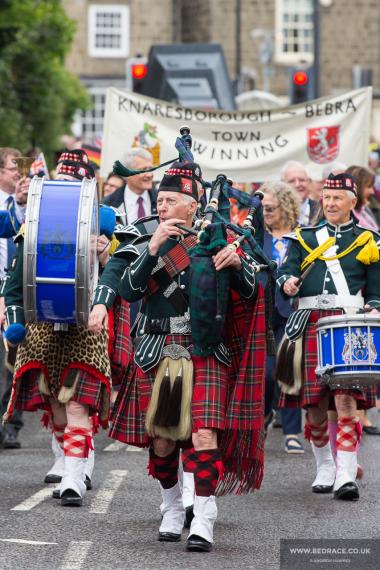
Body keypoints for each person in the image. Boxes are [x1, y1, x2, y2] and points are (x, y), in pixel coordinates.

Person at [90, 163, 266, 552]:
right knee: (165, 441)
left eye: (171, 200)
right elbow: (129, 289)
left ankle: (203, 516)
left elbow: (253, 291)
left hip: (204, 349)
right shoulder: (142, 235)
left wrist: (236, 264)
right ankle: (172, 505)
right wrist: (153, 249)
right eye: (160, 199)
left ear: (193, 205)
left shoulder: (219, 233)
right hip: (157, 349)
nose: (163, 205)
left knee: (203, 434)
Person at [2, 149, 113, 506]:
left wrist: (103, 253)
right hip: (43, 326)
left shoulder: (105, 220)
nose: (62, 189)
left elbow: (123, 274)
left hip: (85, 326)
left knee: (78, 405)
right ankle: (68, 459)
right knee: (57, 405)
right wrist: (14, 315)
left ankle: (74, 477)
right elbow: (16, 276)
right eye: (58, 182)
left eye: (70, 183)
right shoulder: (33, 222)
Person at [276, 172, 380, 501]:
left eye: (338, 198)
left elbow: (376, 293)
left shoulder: (367, 240)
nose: (331, 203)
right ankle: (325, 466)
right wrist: (287, 282)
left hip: (347, 323)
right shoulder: (304, 236)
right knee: (314, 405)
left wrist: (375, 308)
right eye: (327, 197)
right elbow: (286, 271)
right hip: (308, 321)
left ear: (353, 202)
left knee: (345, 400)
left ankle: (346, 473)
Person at [261, 181, 304, 454]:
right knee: (266, 374)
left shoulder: (302, 236)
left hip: (292, 311)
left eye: (270, 208)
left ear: (285, 206)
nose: (265, 212)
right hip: (262, 314)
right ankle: (265, 414)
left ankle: (292, 432)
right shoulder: (255, 236)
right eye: (262, 208)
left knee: (290, 370)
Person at [102, 148, 157, 224]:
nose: (149, 174)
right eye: (143, 170)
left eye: (150, 168)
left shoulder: (161, 199)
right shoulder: (108, 204)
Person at [281, 161, 319, 226]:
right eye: (292, 181)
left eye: (301, 180)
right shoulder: (276, 212)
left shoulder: (321, 210)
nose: (297, 185)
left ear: (309, 182)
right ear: (282, 184)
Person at [345, 165, 378, 232]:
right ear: (357, 187)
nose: (372, 191)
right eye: (369, 186)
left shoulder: (364, 210)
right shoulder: (345, 218)